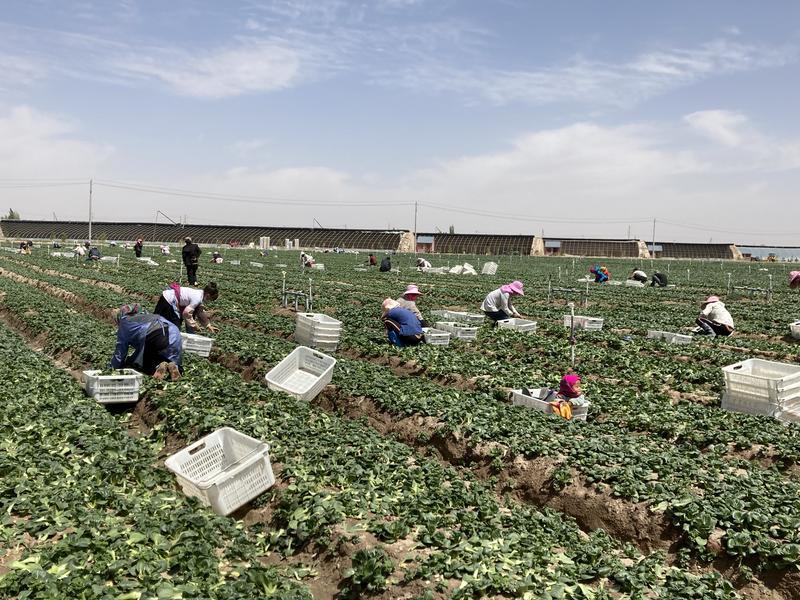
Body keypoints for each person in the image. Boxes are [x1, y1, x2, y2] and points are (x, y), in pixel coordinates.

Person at [110, 304, 182, 379]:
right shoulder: (147, 316)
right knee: (167, 357)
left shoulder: (125, 323)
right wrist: (131, 359)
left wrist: (113, 368)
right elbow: (140, 350)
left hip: (156, 334)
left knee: (144, 365)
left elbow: (120, 351)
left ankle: (156, 367)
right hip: (175, 332)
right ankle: (174, 367)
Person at [154, 281, 219, 334]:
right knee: (175, 326)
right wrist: (194, 325)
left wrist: (208, 325)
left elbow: (200, 313)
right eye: (211, 299)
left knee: (157, 319)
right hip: (169, 300)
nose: (209, 301)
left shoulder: (200, 295)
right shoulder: (197, 298)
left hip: (167, 297)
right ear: (208, 295)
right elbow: (186, 313)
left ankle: (154, 333)